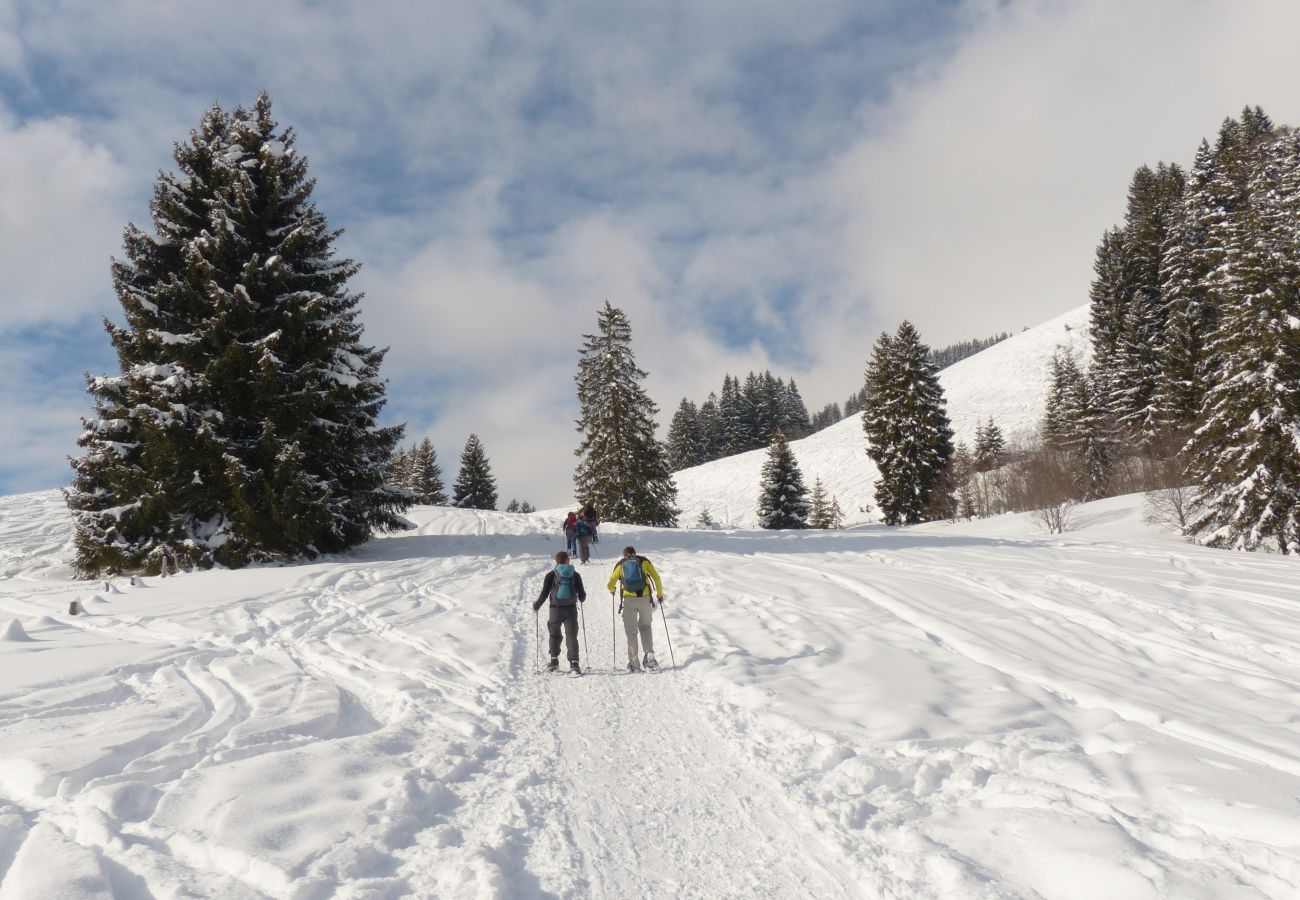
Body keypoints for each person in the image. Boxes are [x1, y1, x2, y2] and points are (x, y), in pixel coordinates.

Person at [607, 545, 664, 672]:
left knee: (631, 632)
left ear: (625, 555)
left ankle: (634, 664)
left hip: (629, 601)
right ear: (634, 553)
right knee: (645, 627)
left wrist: (613, 590)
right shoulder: (644, 561)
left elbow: (611, 583)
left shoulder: (621, 564)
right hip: (645, 599)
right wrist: (659, 594)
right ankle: (650, 657)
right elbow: (657, 578)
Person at [534, 551, 586, 674]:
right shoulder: (575, 575)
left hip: (555, 609)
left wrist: (537, 605)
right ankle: (574, 665)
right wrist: (579, 597)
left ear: (556, 561)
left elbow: (544, 593)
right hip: (571, 610)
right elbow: (582, 596)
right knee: (572, 636)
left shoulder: (551, 575)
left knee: (554, 635)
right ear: (567, 560)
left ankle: (554, 663)